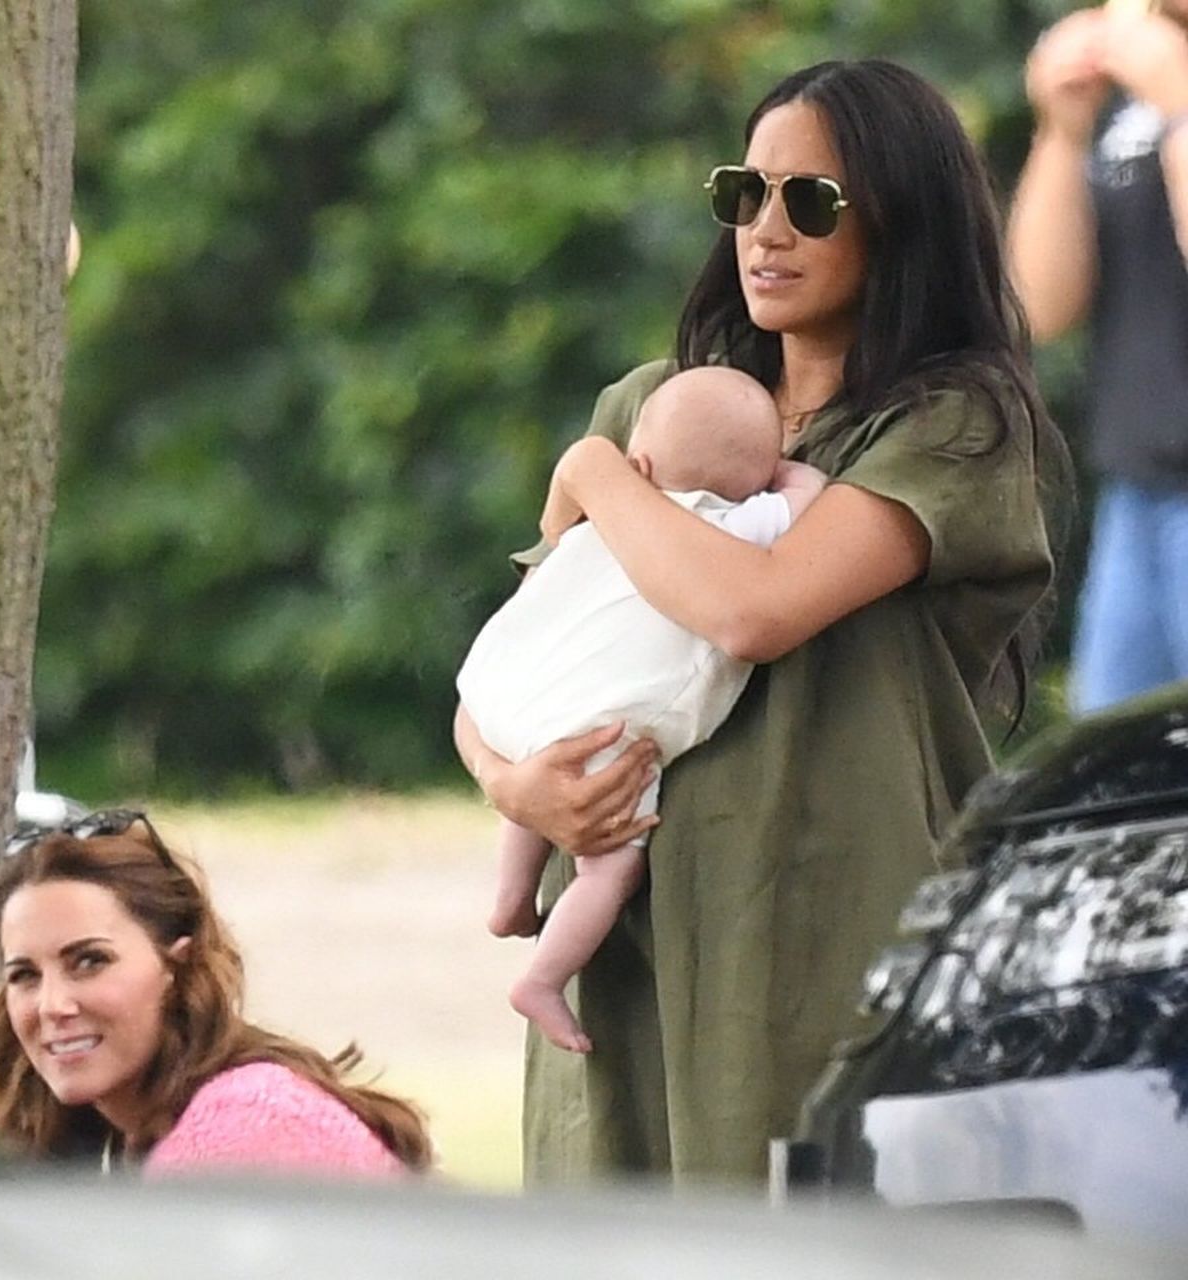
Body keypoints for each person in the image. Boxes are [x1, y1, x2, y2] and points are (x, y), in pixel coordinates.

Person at [454, 59, 1072, 1185]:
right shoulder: (660, 407)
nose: (765, 230)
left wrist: (597, 472)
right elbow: (524, 653)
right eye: (745, 192)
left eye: (812, 202)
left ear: (902, 225)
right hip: (626, 944)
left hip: (818, 933)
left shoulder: (952, 428)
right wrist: (513, 785)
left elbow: (753, 609)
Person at [457, 366, 827, 1054]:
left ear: (639, 461)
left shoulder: (600, 524)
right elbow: (811, 497)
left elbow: (551, 538)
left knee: (543, 757)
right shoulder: (739, 525)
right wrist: (784, 474)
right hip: (606, 727)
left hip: (506, 694)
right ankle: (542, 978)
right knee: (611, 867)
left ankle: (512, 896)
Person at [0, 810, 432, 1177]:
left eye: (90, 962)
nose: (53, 1005)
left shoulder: (246, 1127)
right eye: (25, 975)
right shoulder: (149, 1134)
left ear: (178, 963)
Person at [1008, 1, 1188, 713]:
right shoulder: (1135, 89)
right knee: (1116, 787)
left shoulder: (1164, 79)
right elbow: (1043, 307)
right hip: (1138, 494)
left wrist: (1178, 95)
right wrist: (1063, 128)